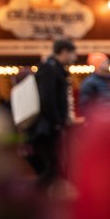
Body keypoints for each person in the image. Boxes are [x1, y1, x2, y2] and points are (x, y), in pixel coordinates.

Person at [26, 38, 77, 187]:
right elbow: (47, 98)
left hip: (50, 126)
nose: (75, 57)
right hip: (47, 128)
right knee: (52, 167)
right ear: (64, 52)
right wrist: (56, 122)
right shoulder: (49, 68)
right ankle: (34, 198)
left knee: (54, 167)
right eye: (73, 53)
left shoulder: (54, 68)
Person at [77, 52, 110, 118]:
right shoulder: (89, 83)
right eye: (104, 61)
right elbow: (85, 107)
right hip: (101, 124)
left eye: (107, 61)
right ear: (97, 64)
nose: (108, 63)